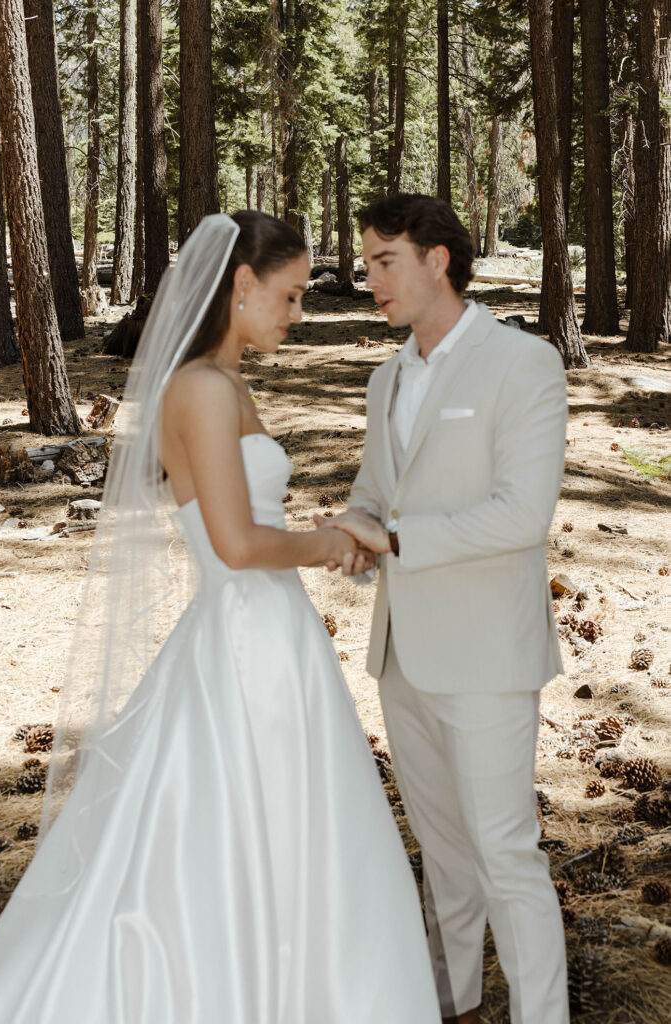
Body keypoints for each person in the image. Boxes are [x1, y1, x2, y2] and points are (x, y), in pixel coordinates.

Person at [0, 212, 440, 1023]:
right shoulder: (198, 387)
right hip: (243, 635)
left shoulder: (228, 382)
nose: (299, 315)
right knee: (239, 821)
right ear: (241, 284)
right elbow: (234, 544)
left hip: (274, 630)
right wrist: (334, 540)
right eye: (291, 295)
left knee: (291, 827)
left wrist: (327, 539)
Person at [316, 194, 570, 1024]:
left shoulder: (521, 362)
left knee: (505, 852)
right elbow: (375, 491)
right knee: (446, 855)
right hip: (401, 652)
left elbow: (519, 514)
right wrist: (352, 529)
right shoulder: (387, 376)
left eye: (384, 260)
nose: (369, 278)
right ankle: (452, 1003)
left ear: (438, 261)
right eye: (366, 261)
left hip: (488, 653)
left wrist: (389, 535)